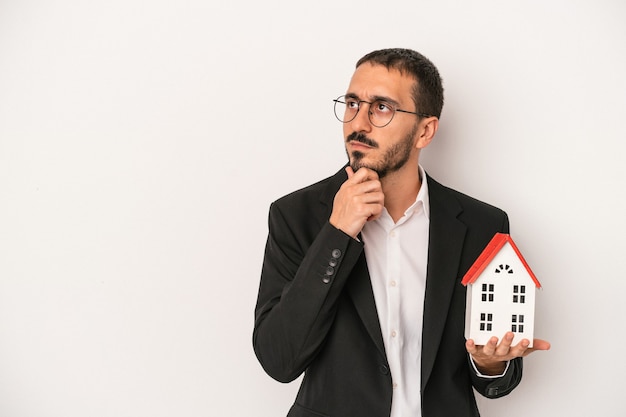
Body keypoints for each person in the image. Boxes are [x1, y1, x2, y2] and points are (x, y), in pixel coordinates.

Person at [253, 48, 550, 417]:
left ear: (425, 130)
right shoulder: (295, 216)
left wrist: (491, 363)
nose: (357, 122)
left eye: (381, 107)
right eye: (352, 103)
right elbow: (279, 359)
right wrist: (337, 233)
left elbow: (493, 376)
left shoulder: (482, 225)